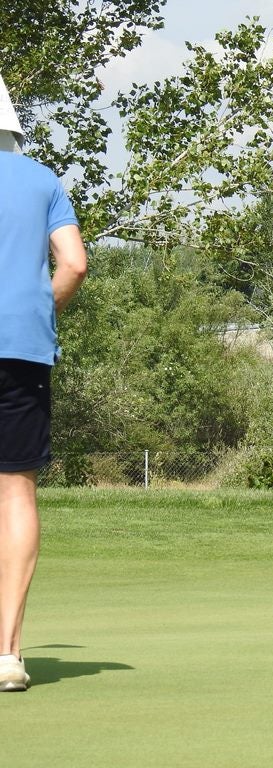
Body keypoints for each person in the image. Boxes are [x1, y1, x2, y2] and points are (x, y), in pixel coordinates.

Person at [0, 73, 88, 692]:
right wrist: (38, 307)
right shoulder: (41, 179)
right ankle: (7, 653)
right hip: (22, 352)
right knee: (15, 494)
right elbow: (75, 263)